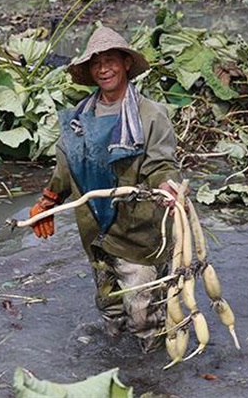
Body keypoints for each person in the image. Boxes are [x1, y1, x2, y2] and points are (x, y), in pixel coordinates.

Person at [29, 26, 182, 353]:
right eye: (96, 63)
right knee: (110, 306)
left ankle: (151, 371)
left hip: (138, 230)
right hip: (95, 228)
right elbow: (66, 167)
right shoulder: (79, 118)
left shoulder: (150, 115)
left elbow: (160, 165)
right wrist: (48, 200)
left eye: (111, 60)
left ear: (126, 63)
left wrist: (167, 185)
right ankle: (115, 361)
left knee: (144, 314)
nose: (104, 69)